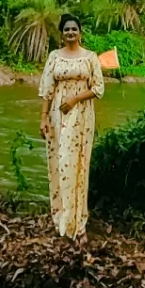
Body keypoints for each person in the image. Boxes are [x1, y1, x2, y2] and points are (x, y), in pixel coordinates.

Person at [38, 14, 104, 239]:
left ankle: (78, 222)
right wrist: (43, 117)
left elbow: (98, 88)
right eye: (66, 29)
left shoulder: (90, 57)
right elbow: (46, 88)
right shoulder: (54, 57)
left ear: (80, 32)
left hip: (82, 116)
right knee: (60, 162)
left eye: (74, 29)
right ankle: (61, 219)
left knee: (78, 165)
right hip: (58, 116)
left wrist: (75, 99)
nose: (70, 33)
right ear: (61, 33)